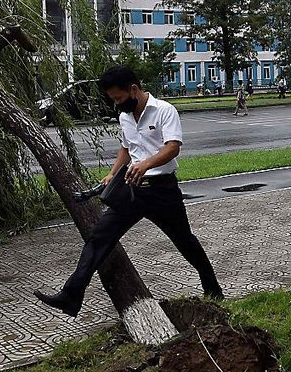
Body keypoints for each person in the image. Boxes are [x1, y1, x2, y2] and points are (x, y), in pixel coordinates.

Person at [34, 65, 223, 316]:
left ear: (133, 89)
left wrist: (145, 164)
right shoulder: (124, 116)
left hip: (162, 190)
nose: (116, 104)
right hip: (131, 190)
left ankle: (213, 289)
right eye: (112, 99)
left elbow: (173, 147)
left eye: (119, 98)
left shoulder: (164, 111)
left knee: (185, 242)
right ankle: (71, 295)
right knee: (99, 237)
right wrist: (113, 173)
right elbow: (126, 148)